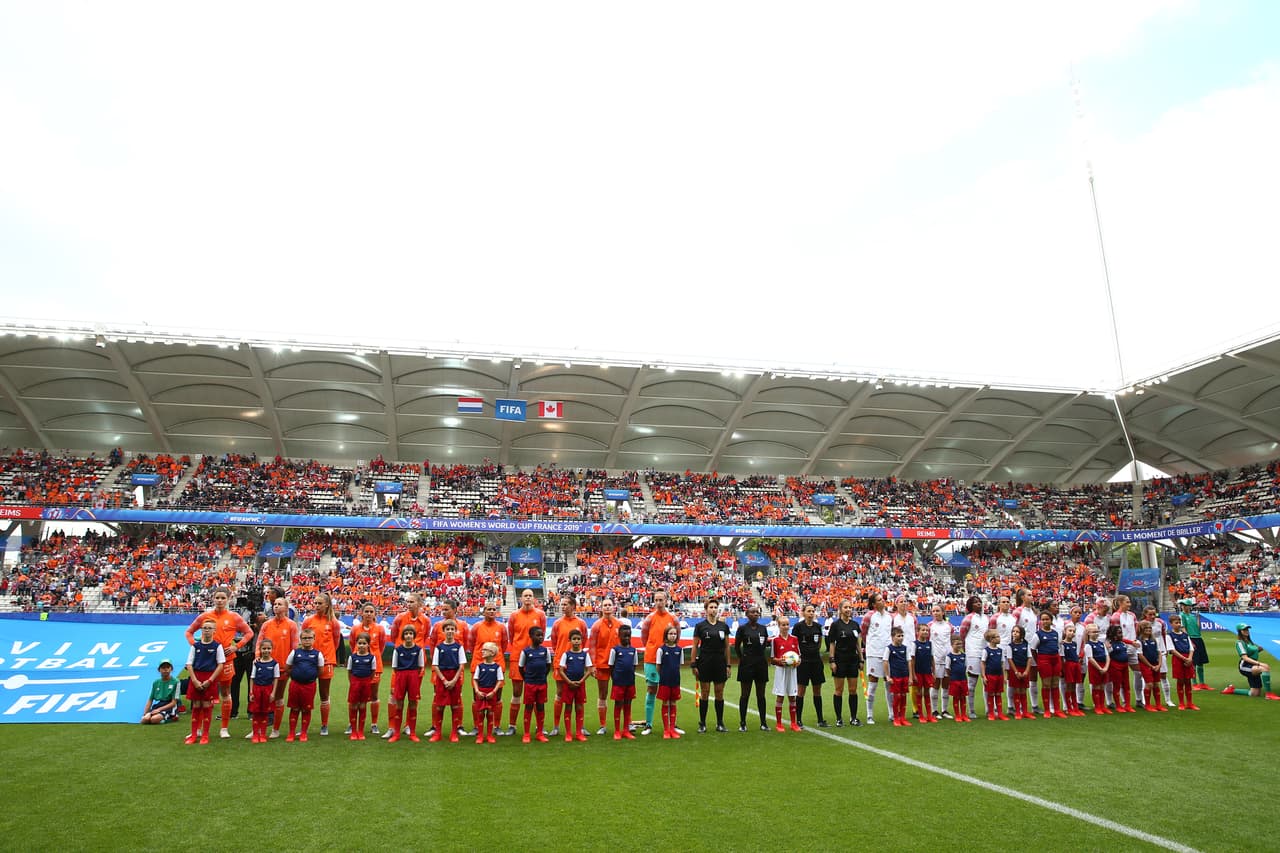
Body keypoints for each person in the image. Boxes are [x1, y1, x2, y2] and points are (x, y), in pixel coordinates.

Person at [183, 587, 253, 740]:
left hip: (226, 661)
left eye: (223, 598)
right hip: (206, 663)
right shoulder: (205, 616)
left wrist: (236, 646)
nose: (220, 601)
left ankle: (224, 728)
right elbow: (188, 632)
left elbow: (249, 633)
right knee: (202, 696)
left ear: (228, 599)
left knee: (226, 693)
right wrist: (195, 646)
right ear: (213, 599)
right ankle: (199, 729)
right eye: (217, 598)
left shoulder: (234, 617)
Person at [256, 595, 299, 739]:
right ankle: (258, 729)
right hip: (264, 667)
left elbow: (294, 648)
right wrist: (257, 657)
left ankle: (275, 729)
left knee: (278, 698)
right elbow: (259, 642)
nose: (276, 606)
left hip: (282, 669)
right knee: (261, 698)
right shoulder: (267, 624)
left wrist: (290, 666)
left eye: (279, 604)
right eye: (274, 604)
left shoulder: (291, 625)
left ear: (286, 608)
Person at [301, 592, 342, 736]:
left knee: (324, 694)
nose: (317, 606)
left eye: (320, 603)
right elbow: (304, 638)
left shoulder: (333, 622)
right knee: (307, 693)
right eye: (315, 603)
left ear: (326, 605)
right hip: (309, 660)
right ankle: (304, 726)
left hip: (326, 661)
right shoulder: (308, 620)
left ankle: (324, 725)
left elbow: (336, 642)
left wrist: (327, 655)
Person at [506, 589, 547, 736]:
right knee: (517, 692)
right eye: (525, 596)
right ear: (521, 598)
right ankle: (512, 725)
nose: (528, 598)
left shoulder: (540, 615)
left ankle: (538, 727)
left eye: (530, 596)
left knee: (536, 694)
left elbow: (541, 633)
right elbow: (511, 636)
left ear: (534, 598)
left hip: (536, 659)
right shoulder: (514, 615)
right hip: (518, 657)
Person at [640, 591, 680, 736]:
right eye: (656, 600)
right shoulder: (649, 618)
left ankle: (672, 725)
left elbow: (677, 636)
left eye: (661, 600)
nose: (658, 602)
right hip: (651, 658)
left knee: (670, 692)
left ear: (666, 601)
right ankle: (648, 724)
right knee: (651, 690)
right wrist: (653, 649)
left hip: (668, 660)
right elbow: (644, 638)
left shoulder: (673, 618)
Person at [549, 595, 588, 737]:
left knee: (579, 695)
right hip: (561, 662)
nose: (563, 606)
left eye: (566, 604)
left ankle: (580, 727)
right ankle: (556, 726)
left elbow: (585, 640)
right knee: (560, 694)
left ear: (573, 606)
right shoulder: (557, 623)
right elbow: (554, 643)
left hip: (577, 664)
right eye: (562, 604)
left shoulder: (581, 623)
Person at [691, 599, 731, 733]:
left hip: (720, 662)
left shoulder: (723, 626)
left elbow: (727, 647)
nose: (713, 609)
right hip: (705, 662)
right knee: (705, 692)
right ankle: (702, 723)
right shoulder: (700, 626)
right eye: (711, 607)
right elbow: (695, 646)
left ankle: (720, 723)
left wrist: (728, 665)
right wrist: (693, 664)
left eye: (715, 607)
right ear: (706, 609)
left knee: (719, 692)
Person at [348, 602, 388, 736]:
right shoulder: (355, 629)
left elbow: (381, 646)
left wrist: (374, 657)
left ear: (375, 614)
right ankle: (352, 724)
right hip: (357, 665)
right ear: (361, 613)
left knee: (374, 695)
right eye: (367, 611)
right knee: (354, 695)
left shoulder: (380, 629)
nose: (369, 614)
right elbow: (352, 644)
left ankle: (374, 724)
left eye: (371, 612)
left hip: (374, 666)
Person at [470, 599, 509, 735]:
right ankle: (477, 726)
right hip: (479, 665)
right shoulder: (476, 627)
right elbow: (472, 644)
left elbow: (503, 646)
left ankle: (496, 726)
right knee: (477, 697)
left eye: (493, 609)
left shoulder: (501, 628)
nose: (492, 612)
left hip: (497, 665)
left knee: (497, 697)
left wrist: (495, 658)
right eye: (489, 609)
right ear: (484, 611)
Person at [185, 620, 225, 745]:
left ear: (214, 631)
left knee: (207, 705)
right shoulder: (195, 646)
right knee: (196, 705)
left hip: (209, 677)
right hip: (196, 677)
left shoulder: (217, 646)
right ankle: (193, 734)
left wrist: (210, 680)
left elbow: (220, 665)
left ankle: (205, 735)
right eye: (204, 628)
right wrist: (194, 680)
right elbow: (189, 664)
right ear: (201, 630)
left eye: (209, 628)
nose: (206, 630)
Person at [825, 598, 863, 727]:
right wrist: (832, 661)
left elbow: (858, 644)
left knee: (853, 690)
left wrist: (861, 659)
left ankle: (853, 718)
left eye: (850, 607)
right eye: (846, 607)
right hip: (840, 660)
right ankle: (839, 718)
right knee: (839, 690)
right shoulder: (836, 625)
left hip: (853, 660)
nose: (848, 610)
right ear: (840, 609)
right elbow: (832, 644)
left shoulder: (854, 625)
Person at [587, 598, 622, 735]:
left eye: (609, 605)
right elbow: (592, 647)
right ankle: (603, 725)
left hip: (617, 665)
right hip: (602, 664)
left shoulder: (619, 624)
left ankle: (624, 723)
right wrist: (593, 665)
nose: (607, 607)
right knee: (603, 694)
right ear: (601, 608)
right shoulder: (596, 626)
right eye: (605, 605)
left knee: (620, 693)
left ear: (614, 607)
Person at [734, 604, 771, 732]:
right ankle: (743, 723)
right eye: (753, 612)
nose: (755, 614)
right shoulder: (742, 629)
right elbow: (737, 646)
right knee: (745, 694)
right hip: (747, 663)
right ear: (747, 614)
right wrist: (742, 658)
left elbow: (765, 644)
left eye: (757, 612)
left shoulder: (763, 629)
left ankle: (763, 722)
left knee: (761, 695)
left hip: (761, 663)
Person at [429, 619, 467, 743]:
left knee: (455, 705)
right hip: (442, 678)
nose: (450, 631)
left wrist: (454, 680)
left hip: (455, 677)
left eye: (452, 629)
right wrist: (444, 680)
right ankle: (438, 733)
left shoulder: (459, 647)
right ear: (444, 631)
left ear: (455, 631)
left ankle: (454, 733)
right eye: (447, 629)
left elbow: (461, 665)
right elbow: (435, 665)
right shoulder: (439, 647)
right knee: (439, 706)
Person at [387, 625, 426, 743]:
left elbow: (421, 666)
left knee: (413, 703)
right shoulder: (398, 650)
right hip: (400, 676)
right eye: (406, 633)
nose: (408, 635)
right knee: (399, 704)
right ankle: (397, 733)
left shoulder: (418, 650)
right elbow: (394, 667)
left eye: (410, 633)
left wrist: (412, 675)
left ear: (414, 636)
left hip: (413, 676)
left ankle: (412, 733)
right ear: (403, 636)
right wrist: (402, 675)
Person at [860, 592, 893, 726]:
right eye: (879, 600)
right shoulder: (869, 616)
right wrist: (869, 647)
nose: (882, 601)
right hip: (874, 653)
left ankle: (891, 713)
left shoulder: (890, 616)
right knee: (872, 684)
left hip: (887, 653)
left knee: (889, 683)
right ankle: (869, 714)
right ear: (874, 604)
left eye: (882, 599)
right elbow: (863, 633)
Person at [285, 627, 324, 741]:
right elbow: (287, 668)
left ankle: (303, 733)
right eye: (304, 638)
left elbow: (320, 670)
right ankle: (291, 733)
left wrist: (310, 676)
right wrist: (296, 675)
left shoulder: (318, 654)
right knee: (294, 708)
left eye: (309, 638)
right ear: (300, 640)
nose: (307, 640)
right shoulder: (295, 652)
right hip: (295, 685)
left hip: (309, 686)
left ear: (314, 639)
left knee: (306, 709)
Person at [1222, 623, 1279, 699]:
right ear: (1239, 631)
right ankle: (1269, 694)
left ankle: (1232, 690)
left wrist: (1267, 645)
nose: (1246, 631)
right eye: (1244, 629)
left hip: (1252, 665)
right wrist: (1259, 663)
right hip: (1245, 665)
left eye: (1247, 629)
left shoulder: (1249, 642)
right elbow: (1245, 657)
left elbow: (1255, 651)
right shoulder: (1239, 642)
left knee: (1255, 693)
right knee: (1265, 667)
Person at [793, 603, 827, 728]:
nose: (811, 613)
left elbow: (819, 643)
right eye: (809, 611)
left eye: (813, 611)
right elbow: (794, 643)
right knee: (801, 690)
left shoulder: (818, 626)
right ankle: (799, 720)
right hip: (803, 662)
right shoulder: (798, 627)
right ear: (803, 612)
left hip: (816, 662)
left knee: (817, 691)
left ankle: (820, 719)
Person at [959, 595, 991, 719]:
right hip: (973, 652)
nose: (979, 604)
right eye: (975, 602)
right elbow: (962, 634)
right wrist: (966, 648)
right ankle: (971, 710)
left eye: (980, 602)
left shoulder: (986, 618)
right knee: (972, 683)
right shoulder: (968, 618)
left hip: (985, 652)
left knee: (987, 682)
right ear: (971, 605)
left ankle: (989, 709)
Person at [1030, 610, 1066, 719]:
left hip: (1055, 659)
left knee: (1055, 684)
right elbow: (1033, 649)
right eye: (1043, 619)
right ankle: (1046, 710)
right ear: (1040, 621)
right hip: (1044, 660)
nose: (1045, 621)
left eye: (1047, 619)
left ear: (1051, 621)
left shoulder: (1055, 633)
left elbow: (1059, 647)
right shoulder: (1038, 634)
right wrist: (1038, 661)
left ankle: (1057, 709)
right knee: (1046, 684)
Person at [518, 625, 551, 743]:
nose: (541, 637)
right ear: (531, 636)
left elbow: (548, 666)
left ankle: (540, 733)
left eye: (542, 635)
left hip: (542, 683)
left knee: (541, 706)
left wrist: (542, 677)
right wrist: (527, 679)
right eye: (538, 635)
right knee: (529, 707)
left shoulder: (545, 650)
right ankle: (526, 734)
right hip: (530, 684)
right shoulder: (526, 652)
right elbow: (521, 668)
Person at [770, 615, 801, 732]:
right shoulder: (775, 640)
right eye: (783, 625)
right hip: (781, 671)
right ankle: (779, 724)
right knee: (780, 696)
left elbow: (799, 656)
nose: (785, 627)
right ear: (778, 626)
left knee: (793, 696)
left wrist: (797, 662)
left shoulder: (794, 639)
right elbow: (772, 659)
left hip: (792, 671)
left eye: (787, 624)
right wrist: (780, 661)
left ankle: (793, 723)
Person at [1012, 588, 1041, 714]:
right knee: (1016, 676)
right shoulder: (1018, 611)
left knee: (1033, 676)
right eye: (1029, 595)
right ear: (1022, 597)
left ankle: (1034, 705)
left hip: (1033, 647)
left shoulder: (1034, 612)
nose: (1032, 596)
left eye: (1032, 594)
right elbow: (1013, 628)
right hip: (1020, 648)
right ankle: (1012, 706)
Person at [1141, 605, 1175, 708]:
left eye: (1154, 614)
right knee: (1146, 678)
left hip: (1160, 652)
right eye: (1150, 614)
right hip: (1147, 653)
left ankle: (1168, 700)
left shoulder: (1160, 623)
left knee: (1163, 676)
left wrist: (1165, 650)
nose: (1152, 616)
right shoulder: (1142, 624)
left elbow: (1164, 636)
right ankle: (1144, 700)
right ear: (1145, 615)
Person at [608, 623, 638, 740]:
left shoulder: (633, 650)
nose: (627, 638)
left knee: (628, 705)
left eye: (628, 636)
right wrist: (615, 678)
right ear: (619, 636)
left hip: (630, 682)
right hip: (618, 682)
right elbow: (611, 666)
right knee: (618, 705)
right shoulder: (615, 650)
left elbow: (634, 665)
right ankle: (617, 731)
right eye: (624, 636)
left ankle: (626, 730)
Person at [1110, 595, 1141, 708]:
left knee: (1138, 673)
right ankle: (1122, 701)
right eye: (1127, 602)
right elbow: (1116, 635)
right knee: (1121, 677)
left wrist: (1134, 640)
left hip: (1133, 647)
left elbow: (1135, 630)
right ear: (1120, 603)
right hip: (1121, 648)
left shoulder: (1132, 615)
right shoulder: (1115, 617)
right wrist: (1129, 642)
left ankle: (1139, 699)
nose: (1129, 604)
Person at [472, 642, 505, 744]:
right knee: (480, 713)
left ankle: (490, 735)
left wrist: (494, 691)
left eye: (485, 649)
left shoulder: (497, 667)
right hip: (481, 693)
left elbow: (500, 680)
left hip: (491, 693)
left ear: (492, 653)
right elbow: (475, 679)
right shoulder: (479, 666)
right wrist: (477, 691)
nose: (482, 651)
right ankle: (480, 735)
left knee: (490, 713)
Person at [346, 633, 377, 739]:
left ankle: (361, 731)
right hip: (355, 683)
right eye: (359, 643)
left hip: (366, 683)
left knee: (363, 705)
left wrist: (367, 681)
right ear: (356, 644)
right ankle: (353, 731)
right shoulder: (352, 657)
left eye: (364, 643)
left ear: (368, 645)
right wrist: (353, 682)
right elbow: (349, 672)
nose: (362, 645)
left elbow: (373, 672)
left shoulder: (371, 658)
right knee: (354, 705)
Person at [248, 640, 279, 743]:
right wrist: (251, 692)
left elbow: (276, 679)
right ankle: (256, 734)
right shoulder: (256, 663)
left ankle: (263, 734)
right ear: (260, 650)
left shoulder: (275, 664)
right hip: (257, 689)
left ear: (272, 649)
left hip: (268, 690)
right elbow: (252, 678)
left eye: (268, 648)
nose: (266, 651)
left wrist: (273, 693)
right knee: (256, 713)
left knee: (265, 713)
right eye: (264, 648)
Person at [1176, 597, 1211, 690]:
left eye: (1185, 605)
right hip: (1191, 638)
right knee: (1193, 662)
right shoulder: (1182, 615)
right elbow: (1183, 628)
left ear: (1189, 606)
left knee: (1201, 662)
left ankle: (1202, 683)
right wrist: (1189, 640)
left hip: (1198, 638)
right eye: (1182, 605)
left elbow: (1198, 628)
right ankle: (1194, 683)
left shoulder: (1192, 616)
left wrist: (1198, 619)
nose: (1183, 607)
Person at [1167, 614, 1200, 711]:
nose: (1178, 624)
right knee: (1180, 680)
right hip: (1178, 659)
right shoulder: (1169, 635)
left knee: (1188, 680)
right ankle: (1181, 703)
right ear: (1171, 624)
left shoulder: (1185, 635)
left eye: (1179, 622)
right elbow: (1172, 649)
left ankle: (1190, 703)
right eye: (1176, 623)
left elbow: (1191, 648)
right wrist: (1183, 658)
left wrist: (1189, 658)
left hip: (1188, 658)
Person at [655, 624, 683, 739]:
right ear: (666, 635)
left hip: (675, 681)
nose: (672, 636)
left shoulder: (679, 650)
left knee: (673, 703)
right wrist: (663, 676)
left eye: (674, 634)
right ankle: (666, 729)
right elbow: (658, 666)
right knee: (665, 703)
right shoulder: (661, 650)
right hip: (665, 681)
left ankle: (672, 729)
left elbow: (679, 666)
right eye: (670, 633)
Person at [928, 603, 953, 720]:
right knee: (936, 684)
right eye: (933, 611)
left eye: (938, 611)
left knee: (946, 685)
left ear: (943, 612)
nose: (936, 613)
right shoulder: (930, 626)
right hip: (936, 659)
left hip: (947, 658)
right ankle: (934, 710)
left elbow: (951, 641)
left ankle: (944, 710)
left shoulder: (949, 626)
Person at [883, 625, 911, 727]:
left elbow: (909, 662)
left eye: (902, 636)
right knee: (897, 697)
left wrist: (910, 676)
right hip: (895, 676)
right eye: (898, 636)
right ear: (893, 637)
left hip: (905, 676)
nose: (901, 638)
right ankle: (896, 718)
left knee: (904, 696)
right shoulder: (889, 648)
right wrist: (887, 676)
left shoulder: (905, 648)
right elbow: (885, 662)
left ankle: (903, 718)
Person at [910, 624, 937, 723]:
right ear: (918, 632)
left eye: (927, 630)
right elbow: (912, 660)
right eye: (923, 630)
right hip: (918, 672)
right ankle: (920, 715)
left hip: (927, 672)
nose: (925, 632)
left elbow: (932, 659)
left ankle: (929, 715)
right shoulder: (915, 644)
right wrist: (913, 674)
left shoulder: (930, 644)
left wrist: (934, 672)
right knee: (919, 693)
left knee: (926, 692)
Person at [980, 629, 1009, 721]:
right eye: (997, 637)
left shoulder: (1000, 650)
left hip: (999, 675)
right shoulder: (986, 651)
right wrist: (984, 676)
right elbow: (983, 663)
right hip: (990, 675)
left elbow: (1002, 664)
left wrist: (1004, 676)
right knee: (991, 694)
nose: (999, 638)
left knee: (998, 693)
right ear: (991, 639)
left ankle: (1000, 713)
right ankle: (991, 713)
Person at [1106, 624, 1135, 713]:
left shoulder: (1122, 643)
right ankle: (1118, 705)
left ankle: (1128, 705)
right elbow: (1108, 655)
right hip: (1115, 667)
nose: (1121, 634)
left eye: (1121, 632)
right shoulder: (1109, 644)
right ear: (1114, 634)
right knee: (1117, 686)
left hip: (1125, 666)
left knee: (1126, 685)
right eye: (1119, 633)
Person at [141, 659, 180, 725]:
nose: (166, 669)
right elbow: (150, 699)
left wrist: (159, 710)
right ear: (159, 670)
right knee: (145, 720)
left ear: (171, 669)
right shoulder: (156, 682)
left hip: (169, 706)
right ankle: (161, 717)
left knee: (154, 719)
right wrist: (145, 713)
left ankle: (172, 717)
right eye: (163, 668)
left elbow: (173, 702)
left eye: (168, 667)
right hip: (159, 705)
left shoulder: (176, 682)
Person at [1085, 623, 1112, 715]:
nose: (1096, 633)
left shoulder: (1101, 644)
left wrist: (1106, 667)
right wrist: (1100, 668)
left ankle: (1102, 705)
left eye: (1097, 632)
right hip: (1095, 667)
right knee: (1096, 686)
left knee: (1102, 686)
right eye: (1093, 632)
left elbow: (1107, 655)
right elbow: (1090, 658)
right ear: (1088, 633)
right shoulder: (1088, 645)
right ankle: (1097, 706)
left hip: (1104, 666)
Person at [1060, 622, 1085, 716]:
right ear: (1065, 632)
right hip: (1068, 665)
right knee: (1068, 686)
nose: (1072, 633)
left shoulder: (1074, 643)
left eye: (1073, 631)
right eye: (1070, 631)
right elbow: (1062, 657)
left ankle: (1075, 707)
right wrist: (1062, 669)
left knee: (1074, 686)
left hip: (1075, 665)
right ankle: (1068, 708)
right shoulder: (1063, 644)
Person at [946, 636, 970, 722]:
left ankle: (964, 715)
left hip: (963, 679)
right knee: (956, 697)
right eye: (957, 644)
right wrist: (952, 676)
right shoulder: (949, 656)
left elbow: (966, 666)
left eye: (960, 644)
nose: (959, 645)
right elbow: (947, 668)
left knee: (963, 697)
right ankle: (957, 715)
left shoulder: (964, 655)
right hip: (954, 680)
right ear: (952, 645)